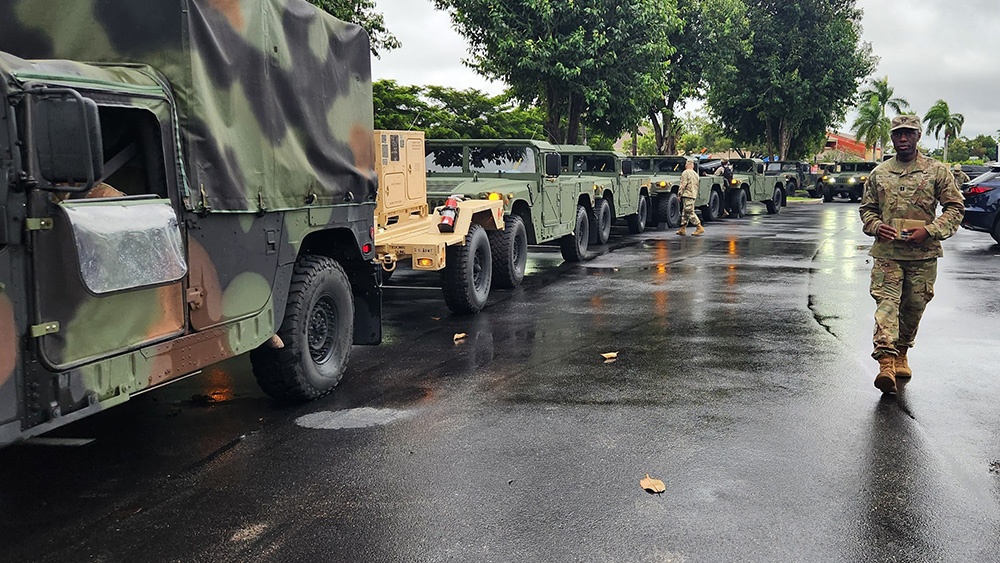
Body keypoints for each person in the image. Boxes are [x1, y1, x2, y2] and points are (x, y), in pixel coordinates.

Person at [859, 114, 964, 394]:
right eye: (897, 134)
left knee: (913, 308)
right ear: (892, 138)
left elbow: (955, 208)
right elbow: (867, 210)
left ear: (918, 136)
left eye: (908, 133)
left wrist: (930, 230)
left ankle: (902, 352)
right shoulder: (879, 173)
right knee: (887, 307)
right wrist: (876, 226)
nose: (902, 138)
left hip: (923, 255)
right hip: (888, 255)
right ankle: (885, 364)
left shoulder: (937, 171)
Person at [676, 159, 705, 236]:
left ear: (686, 165)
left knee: (689, 211)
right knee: (685, 212)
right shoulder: (696, 174)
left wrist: (679, 194)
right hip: (693, 194)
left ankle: (699, 226)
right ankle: (683, 228)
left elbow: (683, 184)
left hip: (687, 194)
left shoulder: (685, 173)